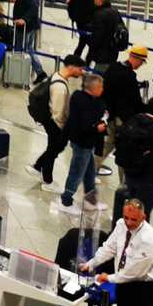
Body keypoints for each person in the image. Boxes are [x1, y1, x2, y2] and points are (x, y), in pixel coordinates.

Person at [56, 72, 108, 212]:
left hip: (83, 142)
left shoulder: (78, 96)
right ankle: (66, 201)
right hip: (83, 142)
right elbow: (85, 124)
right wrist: (97, 128)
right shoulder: (86, 102)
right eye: (101, 87)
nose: (103, 90)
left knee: (90, 171)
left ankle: (90, 201)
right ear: (94, 88)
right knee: (77, 171)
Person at [114, 96, 153, 218]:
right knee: (142, 214)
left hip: (130, 172)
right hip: (148, 179)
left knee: (129, 209)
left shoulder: (132, 121)